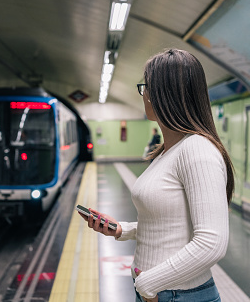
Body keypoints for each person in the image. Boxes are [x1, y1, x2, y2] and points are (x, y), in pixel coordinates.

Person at [78, 49, 234, 302]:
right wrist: (122, 230)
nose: (144, 94)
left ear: (164, 93)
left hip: (177, 294)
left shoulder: (197, 150)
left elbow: (211, 243)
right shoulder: (168, 151)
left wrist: (149, 283)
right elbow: (172, 224)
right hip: (162, 292)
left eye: (146, 86)